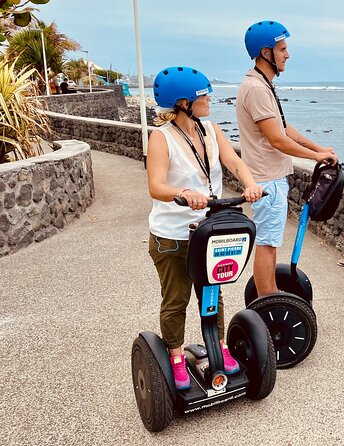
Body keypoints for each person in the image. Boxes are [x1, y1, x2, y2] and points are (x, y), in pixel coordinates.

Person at [147, 66, 264, 390]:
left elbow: (235, 162)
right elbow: (156, 186)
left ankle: (221, 346)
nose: (209, 98)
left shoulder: (211, 130)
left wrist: (250, 183)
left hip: (209, 229)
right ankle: (174, 356)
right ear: (183, 102)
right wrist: (182, 194)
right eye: (203, 95)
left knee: (213, 291)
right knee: (176, 299)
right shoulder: (162, 138)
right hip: (172, 236)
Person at [236, 20, 338, 298]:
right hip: (266, 177)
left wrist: (318, 148)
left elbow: (284, 128)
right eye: (282, 49)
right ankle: (267, 300)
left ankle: (268, 294)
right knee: (267, 243)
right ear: (265, 52)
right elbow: (277, 139)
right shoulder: (257, 88)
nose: (287, 55)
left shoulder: (262, 84)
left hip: (271, 175)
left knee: (270, 241)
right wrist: (315, 156)